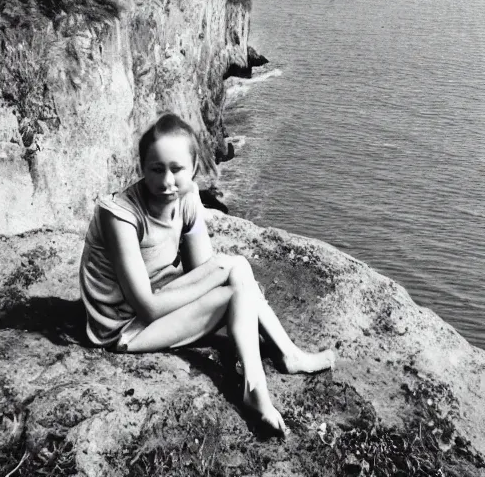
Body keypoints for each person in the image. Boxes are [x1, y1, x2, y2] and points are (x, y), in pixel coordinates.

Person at [80, 113, 335, 436]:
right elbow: (148, 307)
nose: (167, 181)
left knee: (235, 271)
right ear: (141, 168)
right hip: (124, 327)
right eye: (156, 169)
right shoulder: (120, 215)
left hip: (158, 303)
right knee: (233, 271)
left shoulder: (187, 198)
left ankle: (288, 355)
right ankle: (257, 391)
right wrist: (224, 270)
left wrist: (224, 271)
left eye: (177, 169)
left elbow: (201, 270)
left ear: (194, 169)